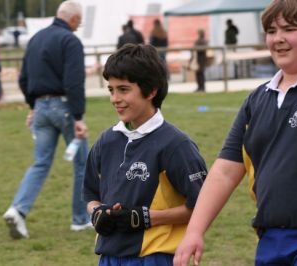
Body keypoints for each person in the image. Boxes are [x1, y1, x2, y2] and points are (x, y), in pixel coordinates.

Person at [174, 0, 297, 265]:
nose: (279, 39)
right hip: (269, 239)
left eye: (289, 29)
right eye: (271, 31)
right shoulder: (256, 100)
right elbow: (226, 171)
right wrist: (194, 230)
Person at [83, 44, 207, 266]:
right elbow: (90, 194)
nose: (115, 98)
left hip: (155, 257)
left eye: (123, 89)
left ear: (151, 91)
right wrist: (97, 212)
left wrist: (146, 218)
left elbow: (202, 206)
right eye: (111, 90)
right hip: (109, 257)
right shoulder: (106, 141)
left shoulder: (176, 145)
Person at [3, 0, 91, 239]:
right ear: (73, 19)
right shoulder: (70, 41)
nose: (78, 26)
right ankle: (80, 219)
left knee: (40, 163)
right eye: (79, 22)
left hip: (41, 107)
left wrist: (34, 106)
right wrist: (78, 117)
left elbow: (24, 79)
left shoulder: (36, 39)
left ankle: (18, 210)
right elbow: (74, 81)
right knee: (83, 163)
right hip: (63, 107)